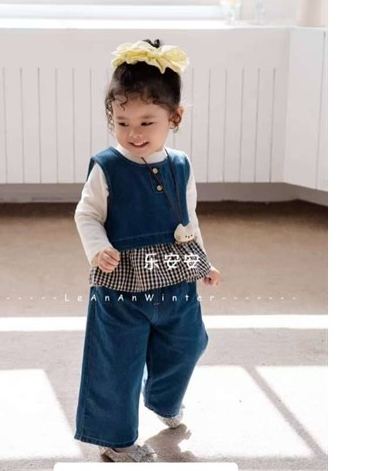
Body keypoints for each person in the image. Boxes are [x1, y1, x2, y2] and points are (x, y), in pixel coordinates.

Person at [73, 39, 221, 462]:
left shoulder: (181, 165)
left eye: (146, 122)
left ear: (175, 117)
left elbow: (188, 219)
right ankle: (116, 440)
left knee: (188, 343)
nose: (133, 133)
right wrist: (98, 248)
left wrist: (203, 262)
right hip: (122, 285)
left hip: (176, 279)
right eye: (121, 122)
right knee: (116, 362)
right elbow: (87, 214)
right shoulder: (107, 167)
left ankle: (162, 398)